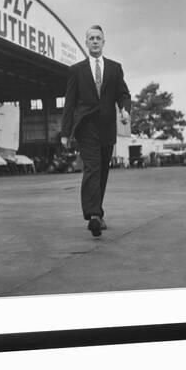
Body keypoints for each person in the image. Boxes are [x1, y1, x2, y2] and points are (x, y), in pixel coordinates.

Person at [60, 25, 131, 237]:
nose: (94, 41)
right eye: (91, 38)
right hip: (86, 128)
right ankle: (92, 215)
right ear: (86, 42)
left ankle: (98, 213)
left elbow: (123, 94)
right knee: (92, 168)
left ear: (103, 42)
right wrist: (66, 132)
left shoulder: (114, 68)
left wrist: (125, 110)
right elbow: (69, 103)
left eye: (98, 38)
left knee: (102, 171)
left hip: (107, 127)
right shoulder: (77, 70)